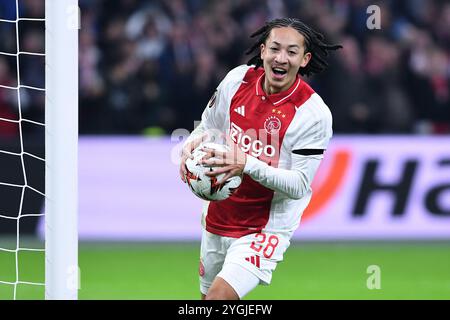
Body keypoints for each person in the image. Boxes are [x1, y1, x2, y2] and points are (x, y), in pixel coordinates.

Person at [179, 17, 342, 300]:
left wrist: (247, 163)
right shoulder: (237, 79)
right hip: (219, 213)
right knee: (207, 300)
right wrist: (190, 147)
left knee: (219, 298)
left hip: (265, 228)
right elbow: (209, 125)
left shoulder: (312, 114)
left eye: (292, 52)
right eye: (276, 49)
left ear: (304, 60)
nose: (282, 58)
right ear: (263, 50)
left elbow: (300, 185)